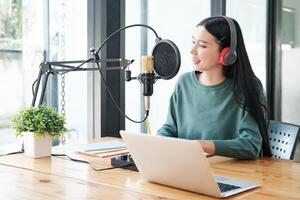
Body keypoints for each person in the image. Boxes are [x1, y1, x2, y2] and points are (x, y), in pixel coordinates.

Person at [157, 16, 272, 159]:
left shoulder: (249, 87)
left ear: (226, 53)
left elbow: (250, 145)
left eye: (202, 45)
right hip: (186, 168)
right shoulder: (184, 82)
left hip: (230, 175)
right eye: (193, 42)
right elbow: (170, 128)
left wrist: (200, 145)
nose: (192, 50)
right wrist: (157, 142)